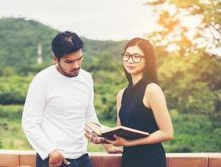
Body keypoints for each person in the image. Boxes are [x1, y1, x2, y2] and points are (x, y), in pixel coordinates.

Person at [87, 37, 174, 167]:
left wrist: (128, 143)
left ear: (147, 60)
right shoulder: (121, 94)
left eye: (136, 56)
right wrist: (103, 139)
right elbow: (121, 132)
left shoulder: (152, 90)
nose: (130, 60)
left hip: (151, 160)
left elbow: (167, 133)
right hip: (129, 159)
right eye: (127, 56)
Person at [22, 31, 99, 167]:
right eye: (69, 61)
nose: (76, 65)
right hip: (55, 159)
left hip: (82, 156)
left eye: (79, 59)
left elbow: (88, 112)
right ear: (55, 59)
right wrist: (51, 151)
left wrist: (98, 133)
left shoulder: (86, 78)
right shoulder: (42, 80)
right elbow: (29, 123)